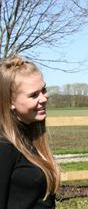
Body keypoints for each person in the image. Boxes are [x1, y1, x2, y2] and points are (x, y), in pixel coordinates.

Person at [0, 56, 60, 208]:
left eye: (44, 90)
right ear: (9, 102)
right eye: (34, 95)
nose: (44, 98)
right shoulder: (4, 146)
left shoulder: (31, 136)